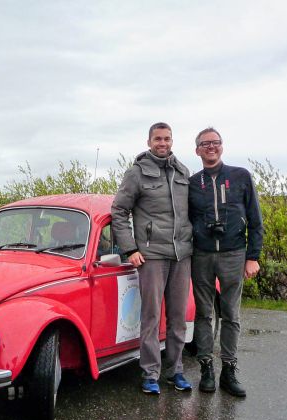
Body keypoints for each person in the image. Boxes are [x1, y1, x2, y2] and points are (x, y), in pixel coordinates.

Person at [112, 122, 194, 395]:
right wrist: (130, 249)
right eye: (158, 138)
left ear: (172, 140)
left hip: (181, 255)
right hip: (151, 256)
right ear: (149, 142)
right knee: (151, 316)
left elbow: (192, 212)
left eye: (167, 138)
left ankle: (176, 371)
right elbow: (119, 212)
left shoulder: (183, 171)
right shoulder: (136, 173)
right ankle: (150, 374)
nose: (163, 143)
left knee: (178, 318)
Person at [188, 127, 263, 397]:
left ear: (222, 146)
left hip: (234, 253)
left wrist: (253, 256)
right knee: (203, 313)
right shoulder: (192, 183)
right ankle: (206, 368)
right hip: (202, 255)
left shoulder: (240, 176)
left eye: (215, 143)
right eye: (205, 144)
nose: (211, 147)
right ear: (197, 150)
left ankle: (229, 371)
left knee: (231, 314)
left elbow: (255, 219)